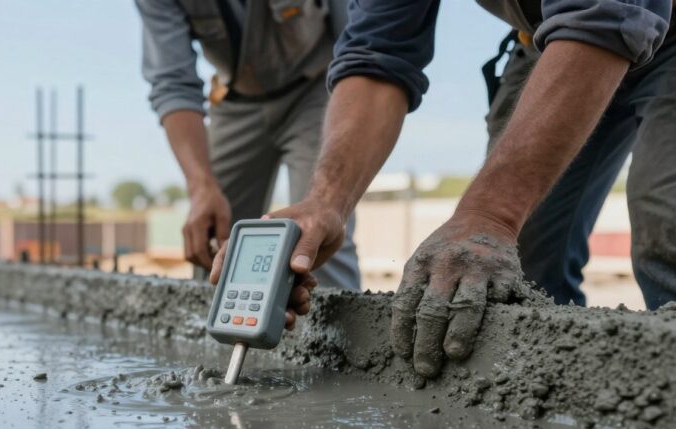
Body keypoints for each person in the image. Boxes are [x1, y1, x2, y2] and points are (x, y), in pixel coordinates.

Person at [210, 1, 674, 378]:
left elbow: (604, 14)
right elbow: (377, 54)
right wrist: (326, 201)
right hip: (549, 37)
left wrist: (489, 215)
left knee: (665, 227)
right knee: (507, 270)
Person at [136, 0, 361, 289]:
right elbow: (172, 83)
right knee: (215, 238)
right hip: (235, 102)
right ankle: (221, 330)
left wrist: (330, 197)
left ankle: (334, 334)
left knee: (320, 234)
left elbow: (357, 43)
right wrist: (200, 186)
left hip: (317, 92)